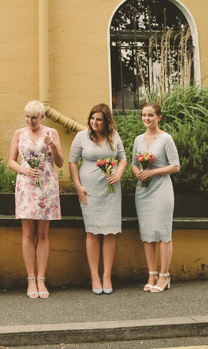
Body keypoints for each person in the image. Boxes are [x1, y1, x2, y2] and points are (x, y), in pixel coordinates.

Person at [7, 100, 64, 299]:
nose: (30, 121)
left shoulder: (51, 133)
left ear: (42, 117)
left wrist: (53, 145)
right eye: (27, 117)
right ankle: (31, 279)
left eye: (34, 117)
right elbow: (11, 161)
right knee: (27, 233)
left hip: (46, 184)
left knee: (43, 234)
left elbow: (60, 162)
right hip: (26, 186)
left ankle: (42, 279)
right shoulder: (19, 134)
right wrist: (25, 170)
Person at [68, 103, 127, 295]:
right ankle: (94, 276)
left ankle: (107, 276)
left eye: (99, 119)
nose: (94, 122)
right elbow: (72, 162)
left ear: (106, 121)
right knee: (92, 232)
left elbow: (123, 158)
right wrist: (78, 187)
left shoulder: (114, 136)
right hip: (89, 189)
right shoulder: (81, 137)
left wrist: (118, 173)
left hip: (111, 190)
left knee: (109, 232)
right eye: (92, 118)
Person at [131, 103, 180, 293]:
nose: (146, 118)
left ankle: (164, 276)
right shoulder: (138, 140)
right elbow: (134, 163)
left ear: (159, 117)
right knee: (148, 234)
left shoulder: (166, 139)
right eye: (144, 115)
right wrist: (138, 173)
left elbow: (175, 166)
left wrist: (152, 173)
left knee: (163, 233)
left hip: (161, 189)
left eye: (150, 115)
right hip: (143, 191)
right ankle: (151, 274)